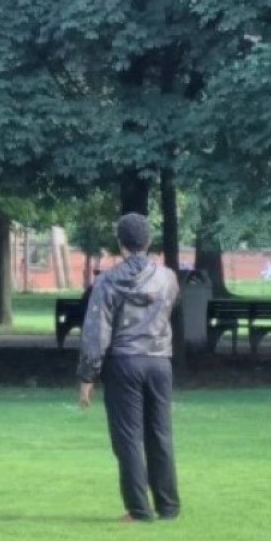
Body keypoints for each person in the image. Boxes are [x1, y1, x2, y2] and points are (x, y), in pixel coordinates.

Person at [76, 213, 181, 523]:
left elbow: (96, 331)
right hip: (160, 361)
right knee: (160, 433)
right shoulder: (168, 278)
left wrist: (87, 376)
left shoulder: (108, 281)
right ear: (148, 241)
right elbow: (168, 309)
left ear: (120, 242)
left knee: (128, 438)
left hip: (124, 362)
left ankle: (138, 509)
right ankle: (168, 505)